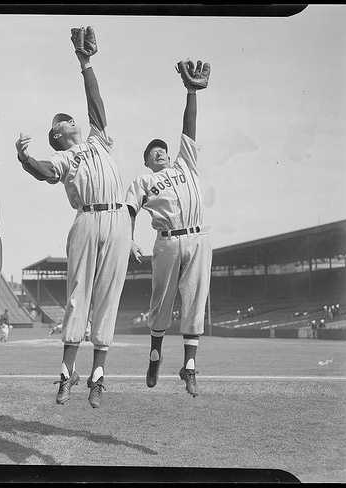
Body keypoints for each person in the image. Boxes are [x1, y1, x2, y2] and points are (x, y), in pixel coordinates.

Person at [15, 26, 130, 408]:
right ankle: (66, 374)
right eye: (64, 122)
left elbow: (96, 105)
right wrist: (25, 159)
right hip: (86, 219)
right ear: (57, 134)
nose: (71, 121)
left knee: (108, 297)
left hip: (117, 220)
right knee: (79, 298)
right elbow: (46, 172)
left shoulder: (96, 139)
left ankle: (98, 377)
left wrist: (86, 65)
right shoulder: (65, 156)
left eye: (71, 119)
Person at [127, 59, 212, 397]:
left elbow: (188, 129)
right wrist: (130, 240)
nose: (160, 153)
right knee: (160, 302)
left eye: (163, 150)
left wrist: (191, 91)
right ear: (146, 160)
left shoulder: (185, 165)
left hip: (198, 236)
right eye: (154, 152)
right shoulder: (144, 180)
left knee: (195, 301)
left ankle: (189, 367)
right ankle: (155, 355)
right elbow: (129, 210)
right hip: (166, 241)